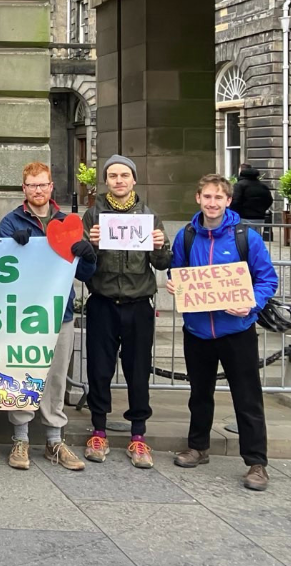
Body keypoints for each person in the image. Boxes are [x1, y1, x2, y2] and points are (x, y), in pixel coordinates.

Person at [168, 174, 277, 491]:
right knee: (199, 395)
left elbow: (266, 278)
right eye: (207, 197)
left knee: (248, 399)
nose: (212, 203)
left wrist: (252, 304)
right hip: (198, 330)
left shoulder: (246, 237)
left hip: (237, 330)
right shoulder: (186, 236)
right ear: (197, 198)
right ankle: (198, 447)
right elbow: (178, 271)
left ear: (228, 201)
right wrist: (174, 283)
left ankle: (257, 462)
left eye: (219, 197)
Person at [0, 162, 97, 471]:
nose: (38, 190)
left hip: (60, 313)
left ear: (52, 187)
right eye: (31, 185)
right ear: (23, 189)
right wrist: (12, 248)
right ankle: (21, 438)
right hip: (23, 315)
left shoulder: (69, 222)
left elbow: (82, 273)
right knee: (22, 373)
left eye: (43, 184)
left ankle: (55, 440)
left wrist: (89, 257)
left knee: (55, 377)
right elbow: (0, 270)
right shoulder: (9, 222)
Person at [82, 154, 171, 468]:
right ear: (106, 181)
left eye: (124, 175)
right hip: (103, 303)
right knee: (99, 369)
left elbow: (162, 264)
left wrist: (160, 246)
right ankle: (98, 430)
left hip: (138, 305)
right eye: (113, 176)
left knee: (137, 371)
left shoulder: (149, 216)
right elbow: (81, 265)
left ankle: (138, 436)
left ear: (133, 180)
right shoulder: (93, 216)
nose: (119, 181)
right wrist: (89, 245)